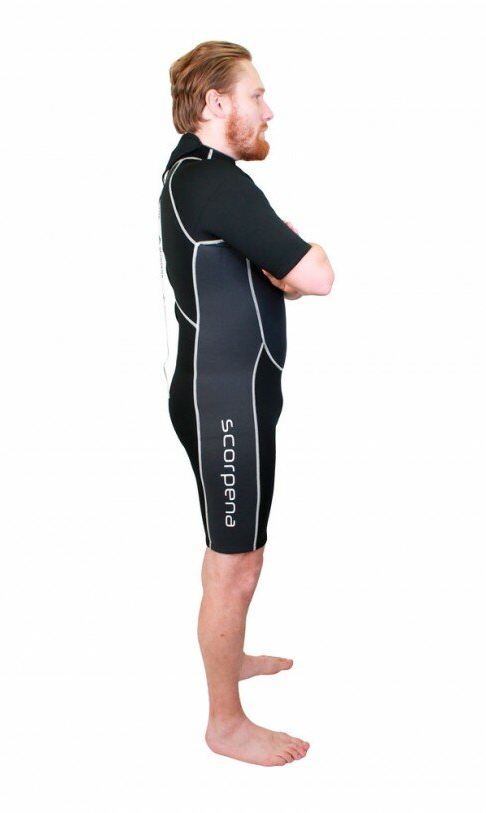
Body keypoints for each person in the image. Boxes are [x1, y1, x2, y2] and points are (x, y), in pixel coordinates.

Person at [159, 40, 334, 767]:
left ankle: (228, 658)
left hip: (227, 392)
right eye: (256, 95)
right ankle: (225, 723)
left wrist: (283, 266)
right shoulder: (215, 184)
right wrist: (293, 263)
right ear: (215, 102)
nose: (268, 110)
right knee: (238, 564)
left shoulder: (196, 174)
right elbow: (316, 274)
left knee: (235, 555)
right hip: (225, 401)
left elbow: (279, 272)